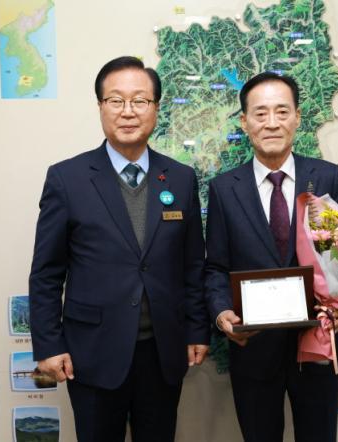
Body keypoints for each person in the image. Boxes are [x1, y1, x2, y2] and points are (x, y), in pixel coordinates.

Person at [29, 56, 209, 442]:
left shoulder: (180, 178)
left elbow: (192, 264)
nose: (128, 111)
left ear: (156, 108)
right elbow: (46, 273)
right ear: (100, 107)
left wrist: (197, 329)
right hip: (92, 352)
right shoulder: (67, 178)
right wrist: (48, 345)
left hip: (162, 351)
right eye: (116, 100)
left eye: (140, 100)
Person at [205, 72, 338, 442]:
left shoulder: (327, 177)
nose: (272, 123)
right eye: (260, 113)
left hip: (317, 342)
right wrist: (222, 314)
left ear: (297, 117)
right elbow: (216, 267)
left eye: (282, 112)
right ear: (245, 122)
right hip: (254, 348)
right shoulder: (224, 189)